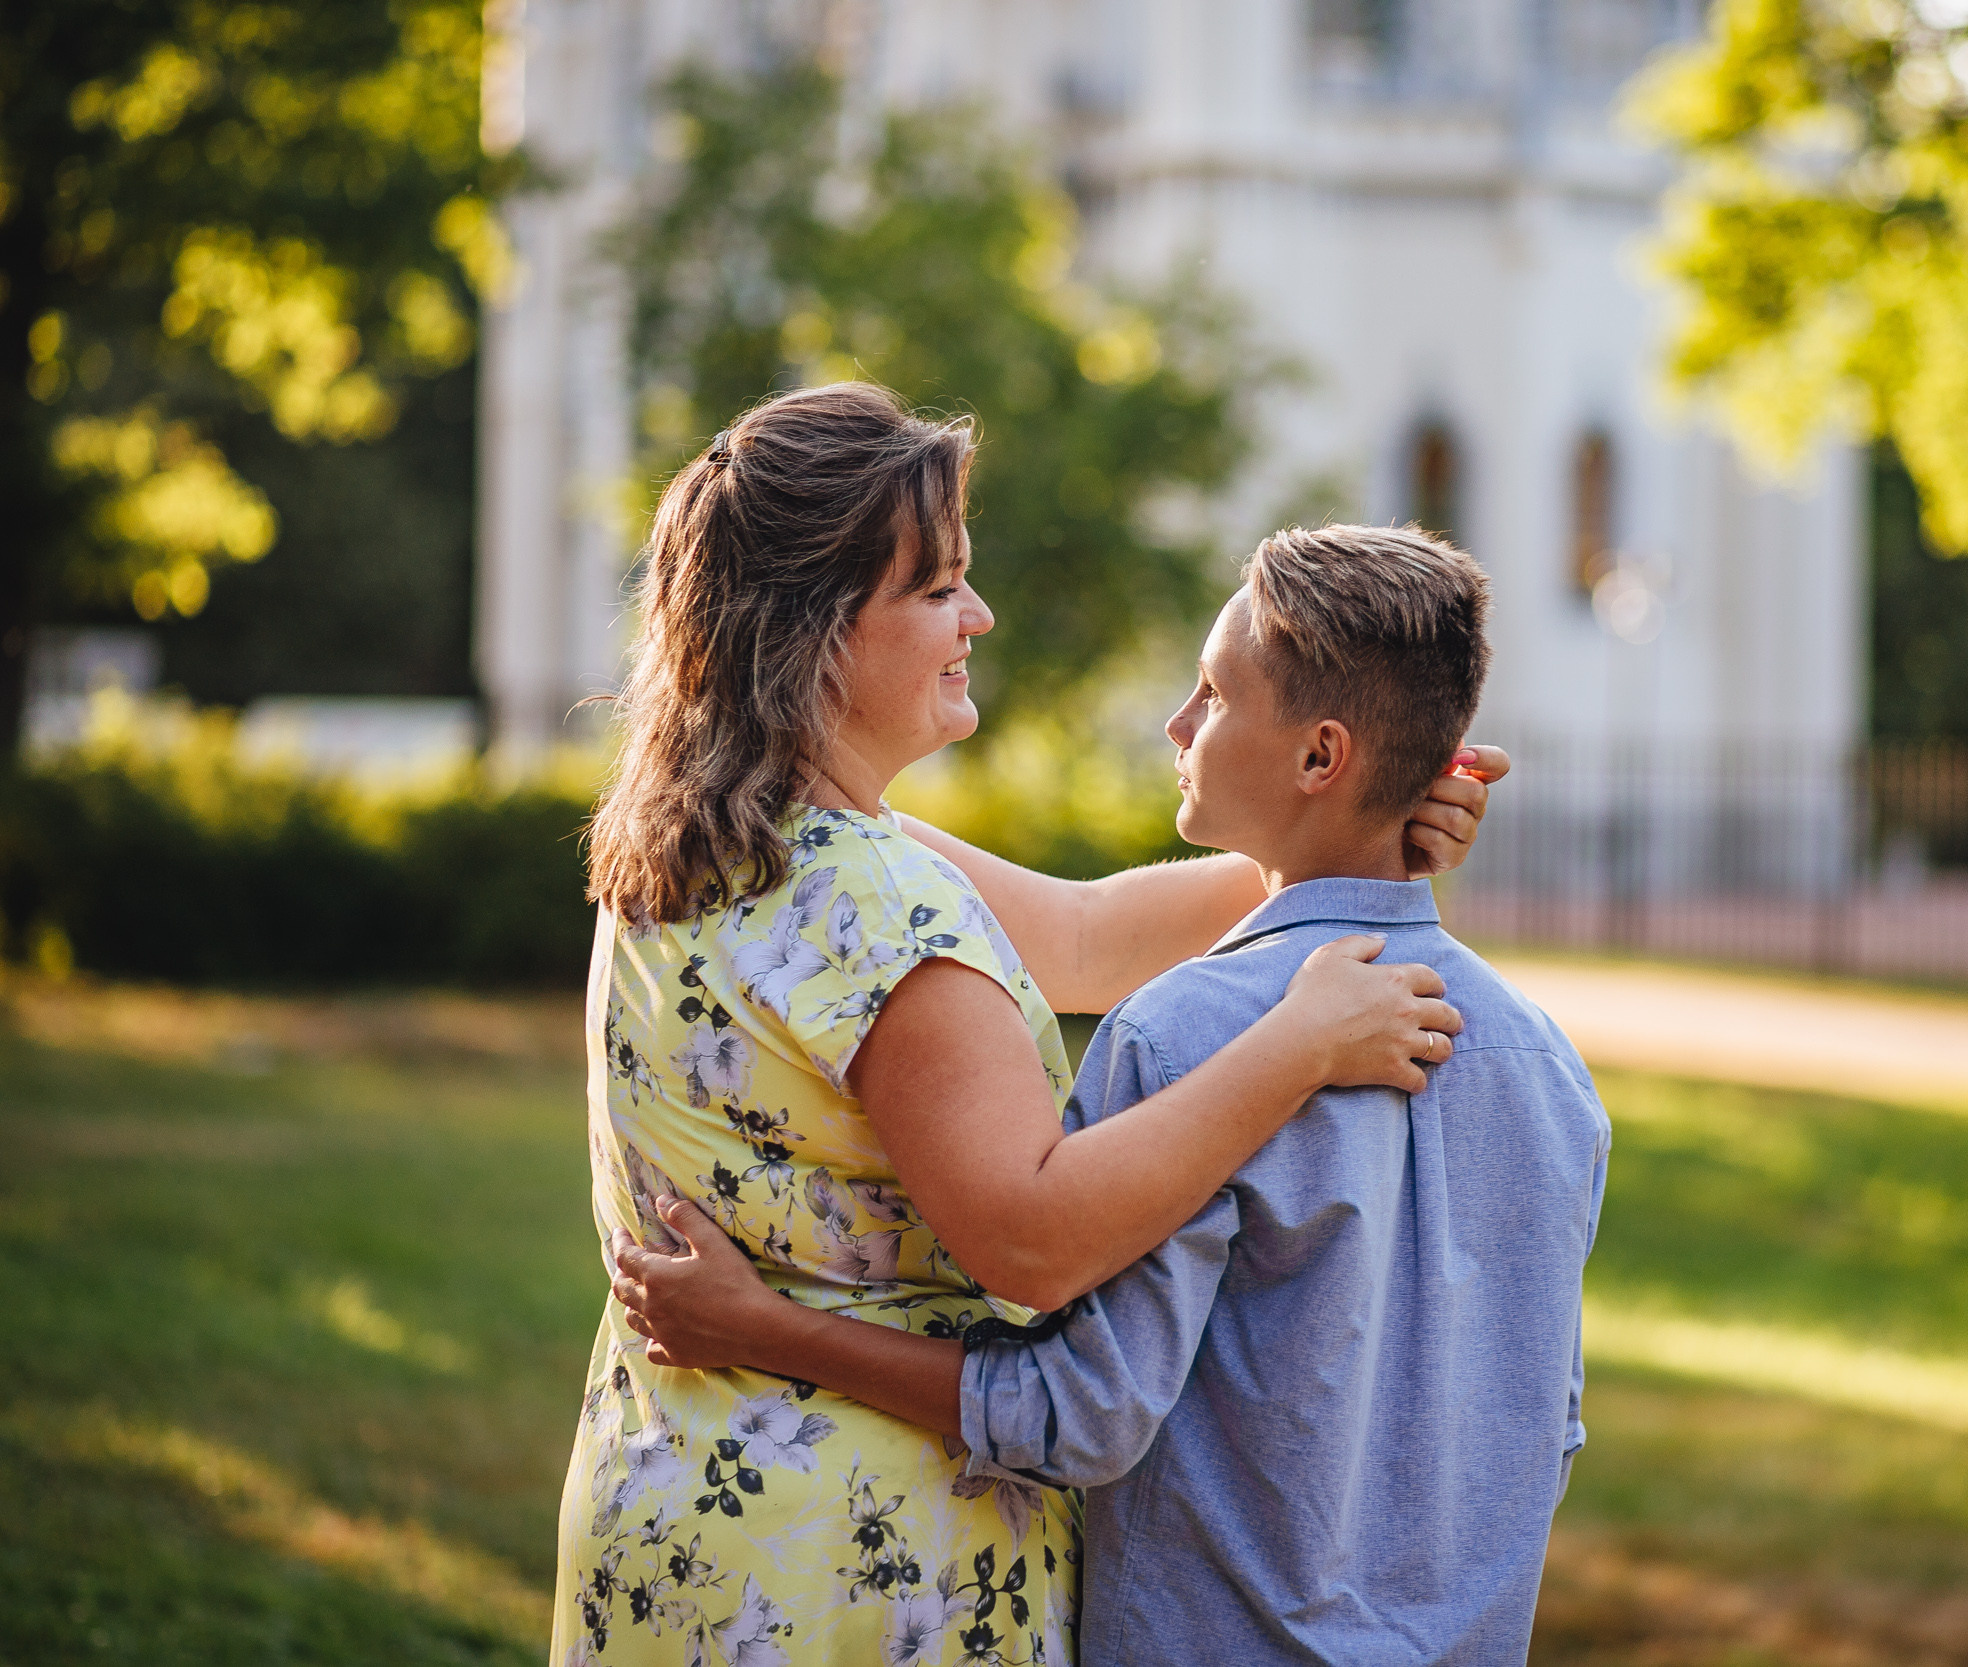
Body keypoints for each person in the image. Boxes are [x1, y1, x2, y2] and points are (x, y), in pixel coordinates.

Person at [551, 386, 1509, 1667]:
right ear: (818, 632)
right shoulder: (871, 901)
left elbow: (1077, 936)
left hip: (671, 1510)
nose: (977, 615)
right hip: (861, 1567)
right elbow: (1035, 1239)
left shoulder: (712, 838)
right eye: (936, 587)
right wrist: (1299, 1044)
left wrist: (1349, 838)